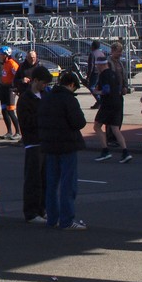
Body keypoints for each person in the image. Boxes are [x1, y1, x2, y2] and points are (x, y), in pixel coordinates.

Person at [37, 71, 86, 230]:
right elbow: (79, 122)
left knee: (51, 184)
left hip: (50, 145)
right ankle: (67, 220)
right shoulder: (69, 99)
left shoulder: (47, 98)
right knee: (68, 184)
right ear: (71, 84)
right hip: (67, 144)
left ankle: (52, 219)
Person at [16, 66, 50, 224]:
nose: (45, 86)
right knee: (33, 179)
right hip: (33, 143)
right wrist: (43, 118)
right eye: (43, 83)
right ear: (35, 81)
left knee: (45, 179)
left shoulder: (45, 95)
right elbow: (26, 122)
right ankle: (31, 212)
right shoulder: (25, 98)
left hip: (45, 142)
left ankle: (42, 209)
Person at [92, 42, 131, 164]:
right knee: (115, 128)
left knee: (97, 126)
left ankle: (105, 150)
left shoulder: (103, 75)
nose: (97, 68)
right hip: (118, 101)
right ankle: (125, 152)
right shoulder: (114, 73)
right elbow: (118, 87)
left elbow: (106, 90)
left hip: (108, 104)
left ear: (101, 65)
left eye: (97, 65)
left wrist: (96, 91)